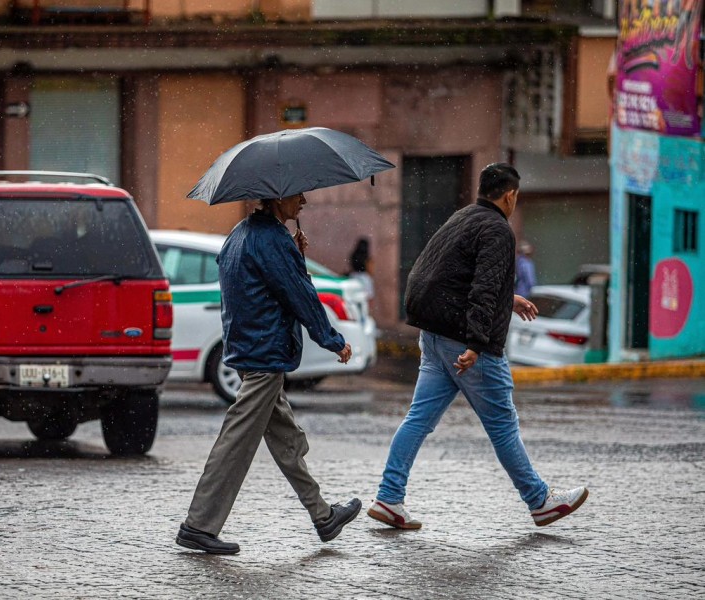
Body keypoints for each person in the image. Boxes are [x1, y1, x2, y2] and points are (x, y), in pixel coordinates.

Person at [367, 163, 588, 531]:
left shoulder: (462, 217)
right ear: (510, 195)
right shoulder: (498, 229)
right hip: (463, 341)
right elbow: (482, 288)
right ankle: (540, 502)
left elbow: (452, 276)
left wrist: (508, 299)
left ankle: (389, 497)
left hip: (434, 335)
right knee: (503, 425)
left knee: (418, 419)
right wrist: (476, 343)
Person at [176, 192, 361, 555]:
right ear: (277, 198)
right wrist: (332, 340)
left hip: (248, 349)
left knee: (285, 439)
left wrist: (295, 255)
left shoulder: (241, 233)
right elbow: (299, 295)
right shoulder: (272, 240)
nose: (303, 201)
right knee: (236, 440)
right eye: (297, 196)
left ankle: (323, 516)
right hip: (264, 353)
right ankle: (198, 525)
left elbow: (257, 286)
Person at [348, 237, 375, 302]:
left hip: (353, 276)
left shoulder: (354, 255)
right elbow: (370, 298)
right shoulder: (367, 258)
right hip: (364, 278)